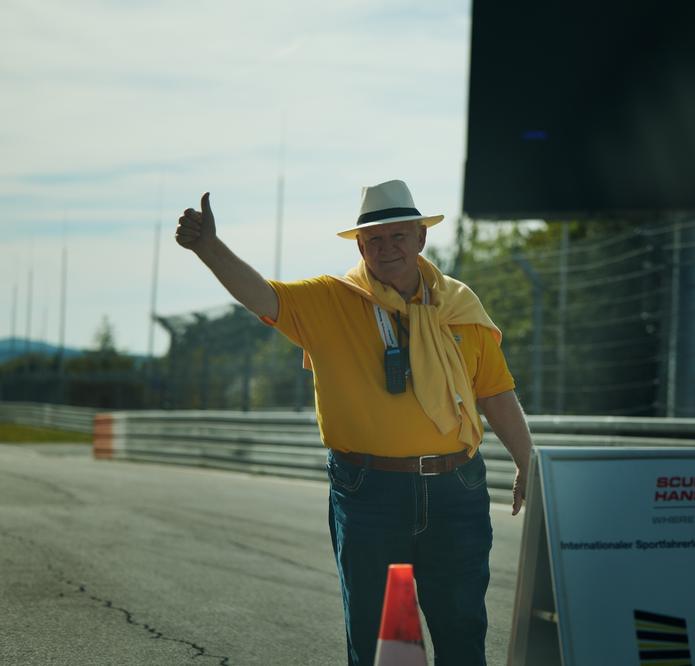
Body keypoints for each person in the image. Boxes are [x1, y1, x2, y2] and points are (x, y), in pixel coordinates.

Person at [175, 179, 533, 666]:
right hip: (371, 491)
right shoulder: (331, 299)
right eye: (375, 240)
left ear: (421, 239)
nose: (387, 249)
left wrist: (526, 462)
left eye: (398, 236)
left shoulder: (459, 305)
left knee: (463, 627)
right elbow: (261, 296)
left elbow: (495, 391)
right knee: (380, 637)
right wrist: (209, 249)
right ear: (361, 246)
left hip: (457, 488)